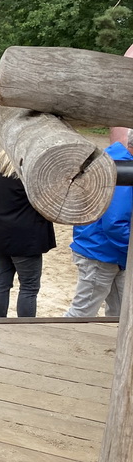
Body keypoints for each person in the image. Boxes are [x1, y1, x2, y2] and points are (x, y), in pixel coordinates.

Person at [65, 126, 133, 318]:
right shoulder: (122, 167)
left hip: (104, 249)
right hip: (101, 251)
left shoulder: (110, 156)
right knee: (82, 312)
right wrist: (130, 249)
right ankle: (61, 342)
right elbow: (115, 223)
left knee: (122, 311)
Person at [0, 150, 56, 317]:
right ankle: (26, 327)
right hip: (25, 237)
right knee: (29, 287)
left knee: (2, 281)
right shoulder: (30, 171)